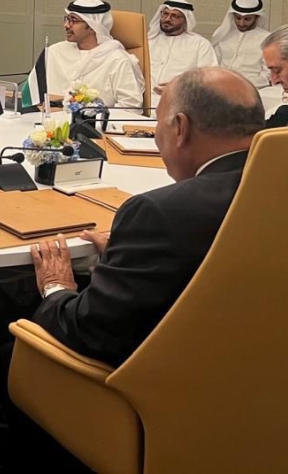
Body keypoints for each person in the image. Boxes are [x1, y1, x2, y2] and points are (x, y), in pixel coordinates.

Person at [30, 67, 263, 367]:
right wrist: (132, 258)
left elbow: (90, 333)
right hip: (267, 362)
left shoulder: (160, 213)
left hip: (164, 379)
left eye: (157, 124)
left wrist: (55, 286)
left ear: (180, 128)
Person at [45, 0, 144, 108]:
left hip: (99, 119)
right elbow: (34, 95)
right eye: (67, 19)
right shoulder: (55, 51)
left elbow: (131, 106)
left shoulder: (117, 60)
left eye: (74, 20)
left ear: (92, 26)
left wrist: (92, 114)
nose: (66, 25)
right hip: (50, 117)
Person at [147, 0, 218, 103]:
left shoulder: (200, 44)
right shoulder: (148, 41)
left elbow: (209, 79)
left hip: (181, 101)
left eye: (174, 16)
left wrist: (180, 88)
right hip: (144, 101)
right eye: (165, 14)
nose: (167, 19)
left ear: (186, 20)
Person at [211, 0, 270, 88]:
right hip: (221, 86)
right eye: (238, 18)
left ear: (257, 17)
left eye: (247, 19)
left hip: (254, 88)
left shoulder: (267, 39)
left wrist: (242, 85)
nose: (241, 23)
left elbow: (268, 73)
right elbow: (213, 64)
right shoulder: (223, 36)